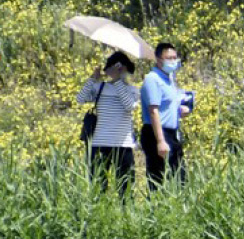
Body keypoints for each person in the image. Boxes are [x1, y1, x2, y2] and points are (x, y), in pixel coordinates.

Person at [77, 51, 139, 197]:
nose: (121, 72)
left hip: (123, 145)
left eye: (122, 69)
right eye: (117, 68)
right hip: (100, 143)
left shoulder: (132, 91)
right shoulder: (101, 88)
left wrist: (117, 80)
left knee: (126, 188)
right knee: (98, 187)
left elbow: (129, 106)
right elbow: (80, 99)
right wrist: (93, 78)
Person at [140, 42, 191, 189]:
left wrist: (181, 110)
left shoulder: (169, 79)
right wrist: (161, 141)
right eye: (169, 58)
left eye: (175, 57)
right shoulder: (152, 79)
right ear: (159, 59)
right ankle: (156, 208)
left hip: (172, 133)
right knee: (158, 178)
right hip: (156, 133)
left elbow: (167, 105)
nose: (173, 61)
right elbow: (153, 110)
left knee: (179, 177)